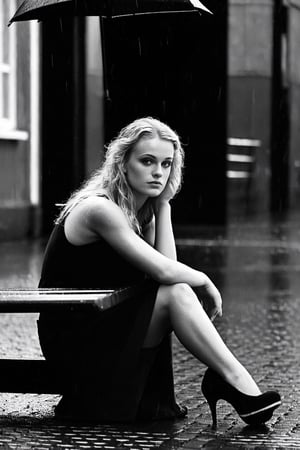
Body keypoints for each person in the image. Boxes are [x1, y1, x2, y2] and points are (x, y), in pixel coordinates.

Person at [38, 117, 281, 427]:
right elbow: (165, 272)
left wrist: (164, 205)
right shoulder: (98, 209)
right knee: (177, 291)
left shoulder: (143, 212)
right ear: (123, 163)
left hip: (108, 324)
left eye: (166, 164)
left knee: (176, 291)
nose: (158, 172)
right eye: (147, 161)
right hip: (74, 338)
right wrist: (204, 279)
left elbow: (165, 272)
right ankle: (234, 382)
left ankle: (238, 386)